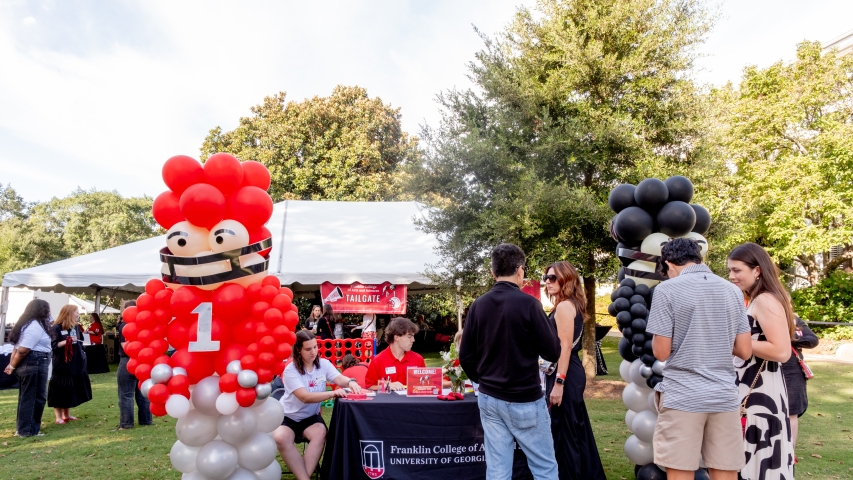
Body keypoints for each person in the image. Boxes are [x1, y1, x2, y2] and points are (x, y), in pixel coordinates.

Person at [646, 238, 753, 480]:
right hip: (724, 395)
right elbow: (744, 350)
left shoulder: (666, 290)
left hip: (683, 395)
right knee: (725, 473)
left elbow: (661, 352)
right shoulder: (732, 290)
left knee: (680, 472)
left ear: (669, 263)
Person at [459, 243, 561, 479]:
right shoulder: (529, 304)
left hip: (490, 397)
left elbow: (466, 356)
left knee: (497, 469)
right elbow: (552, 351)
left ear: (493, 273)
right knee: (544, 467)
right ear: (520, 271)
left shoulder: (478, 305)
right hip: (524, 398)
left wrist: (483, 378)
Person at [728, 242, 797, 479]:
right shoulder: (758, 299)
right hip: (756, 391)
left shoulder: (766, 300)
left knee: (758, 459)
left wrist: (734, 342)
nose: (732, 276)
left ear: (757, 270)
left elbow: (781, 351)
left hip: (760, 395)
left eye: (737, 270)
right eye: (730, 270)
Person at [542, 261, 606, 480]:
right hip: (568, 370)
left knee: (565, 432)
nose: (547, 282)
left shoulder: (564, 306)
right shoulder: (570, 304)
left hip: (566, 373)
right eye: (546, 278)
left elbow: (565, 346)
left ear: (566, 279)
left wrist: (559, 383)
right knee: (574, 429)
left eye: (552, 278)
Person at [272, 331, 362, 480]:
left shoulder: (324, 364)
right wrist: (332, 393)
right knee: (281, 437)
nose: (313, 352)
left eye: (315, 347)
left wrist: (350, 382)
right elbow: (304, 397)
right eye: (308, 349)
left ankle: (303, 477)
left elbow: (339, 378)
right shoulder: (290, 370)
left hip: (311, 417)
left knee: (320, 433)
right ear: (298, 350)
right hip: (288, 416)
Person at [4, 299, 53, 437]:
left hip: (31, 363)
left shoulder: (27, 325)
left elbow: (16, 347)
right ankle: (28, 430)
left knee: (26, 396)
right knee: (35, 397)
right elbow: (22, 350)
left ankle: (23, 428)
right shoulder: (34, 327)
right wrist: (12, 365)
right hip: (34, 362)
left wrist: (11, 364)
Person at [781, 316, 818, 463]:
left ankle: (789, 453)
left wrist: (789, 335)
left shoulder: (794, 319)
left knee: (792, 412)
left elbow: (812, 340)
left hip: (792, 371)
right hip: (766, 370)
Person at [48, 305, 92, 424]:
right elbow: (53, 345)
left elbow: (80, 341)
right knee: (59, 387)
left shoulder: (76, 327)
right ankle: (58, 417)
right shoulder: (55, 328)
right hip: (61, 363)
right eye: (76, 312)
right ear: (68, 313)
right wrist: (66, 341)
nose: (78, 314)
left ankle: (67, 415)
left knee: (69, 388)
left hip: (74, 363)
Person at [116, 300, 152, 430]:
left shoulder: (124, 326)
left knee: (126, 394)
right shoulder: (143, 323)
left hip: (128, 360)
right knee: (142, 391)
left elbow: (125, 346)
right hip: (143, 359)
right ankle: (146, 420)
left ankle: (126, 424)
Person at [365, 317, 425, 391]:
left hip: (412, 402)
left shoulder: (418, 359)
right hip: (387, 402)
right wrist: (386, 386)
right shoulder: (378, 361)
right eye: (409, 336)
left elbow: (425, 385)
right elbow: (369, 387)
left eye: (413, 336)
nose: (413, 340)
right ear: (396, 337)